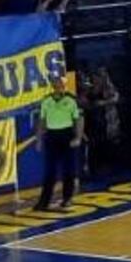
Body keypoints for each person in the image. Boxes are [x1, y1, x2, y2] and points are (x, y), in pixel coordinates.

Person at [33, 75, 84, 211]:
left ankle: (67, 198)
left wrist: (78, 137)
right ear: (52, 85)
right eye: (55, 83)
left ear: (63, 85)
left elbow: (79, 119)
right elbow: (42, 121)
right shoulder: (46, 101)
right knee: (50, 171)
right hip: (52, 136)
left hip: (66, 135)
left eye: (60, 83)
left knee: (69, 169)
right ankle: (44, 202)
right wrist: (39, 140)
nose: (58, 85)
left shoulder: (71, 100)